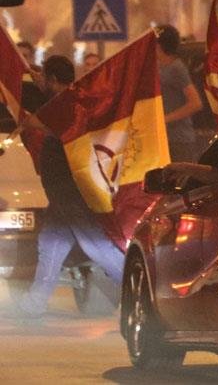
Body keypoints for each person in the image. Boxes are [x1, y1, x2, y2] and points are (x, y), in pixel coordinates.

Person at [13, 56, 125, 318]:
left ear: (53, 80)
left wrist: (28, 120)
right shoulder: (72, 99)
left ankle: (136, 286)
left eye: (46, 79)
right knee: (51, 242)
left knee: (95, 245)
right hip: (61, 191)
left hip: (69, 189)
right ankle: (35, 302)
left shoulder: (66, 105)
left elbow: (41, 123)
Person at [155, 24, 203, 163]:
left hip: (179, 140)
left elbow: (195, 103)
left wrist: (165, 119)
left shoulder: (176, 68)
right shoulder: (158, 68)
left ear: (159, 45)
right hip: (164, 139)